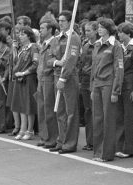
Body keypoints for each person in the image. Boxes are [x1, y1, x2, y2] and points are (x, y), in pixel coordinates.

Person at [90, 18, 124, 162]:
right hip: (97, 84)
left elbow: (119, 68)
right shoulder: (97, 44)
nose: (99, 29)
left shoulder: (115, 45)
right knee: (97, 119)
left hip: (108, 85)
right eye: (98, 27)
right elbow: (93, 67)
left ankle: (106, 153)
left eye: (102, 27)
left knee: (108, 120)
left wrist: (116, 90)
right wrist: (92, 87)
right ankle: (97, 152)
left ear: (109, 29)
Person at [50, 11, 82, 154]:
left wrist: (63, 78)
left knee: (71, 112)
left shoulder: (73, 38)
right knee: (60, 111)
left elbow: (71, 60)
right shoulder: (57, 38)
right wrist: (57, 62)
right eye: (59, 20)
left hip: (68, 78)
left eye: (63, 20)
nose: (60, 23)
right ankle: (61, 140)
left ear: (70, 22)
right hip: (57, 76)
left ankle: (70, 144)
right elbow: (49, 58)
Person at [116, 22, 133, 158]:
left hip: (130, 87)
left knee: (130, 118)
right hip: (121, 86)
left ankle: (129, 148)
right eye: (118, 32)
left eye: (121, 32)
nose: (119, 35)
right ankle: (120, 146)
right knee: (120, 117)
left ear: (128, 34)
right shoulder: (120, 47)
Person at [11, 26, 39, 140]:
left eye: (23, 34)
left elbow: (35, 63)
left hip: (28, 79)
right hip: (19, 79)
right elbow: (15, 63)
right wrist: (14, 50)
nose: (20, 36)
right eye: (20, 34)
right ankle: (22, 129)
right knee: (21, 105)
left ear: (29, 35)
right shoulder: (22, 48)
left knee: (29, 105)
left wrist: (24, 73)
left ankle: (30, 130)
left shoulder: (33, 47)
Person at [35, 17, 59, 149]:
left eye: (43, 28)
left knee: (49, 110)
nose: (40, 30)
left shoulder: (54, 42)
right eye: (40, 28)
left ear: (50, 30)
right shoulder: (43, 43)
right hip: (41, 79)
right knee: (42, 109)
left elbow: (54, 59)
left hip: (49, 78)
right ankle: (44, 137)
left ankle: (52, 138)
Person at [79, 21, 98, 151]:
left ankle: (97, 140)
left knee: (97, 111)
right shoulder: (85, 46)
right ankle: (90, 141)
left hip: (96, 80)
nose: (87, 33)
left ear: (96, 31)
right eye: (85, 31)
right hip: (85, 81)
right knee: (88, 111)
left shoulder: (100, 45)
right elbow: (81, 63)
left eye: (89, 30)